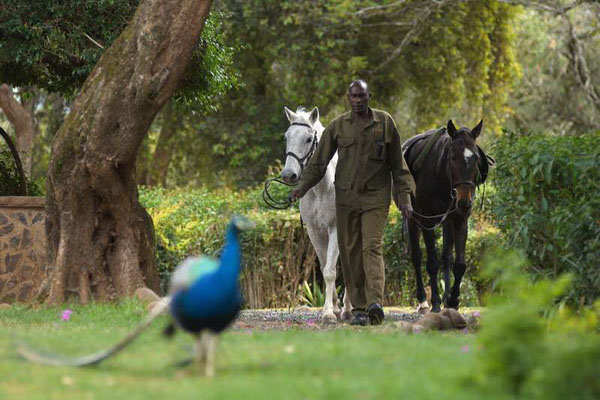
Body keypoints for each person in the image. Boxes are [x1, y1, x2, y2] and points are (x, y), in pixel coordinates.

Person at [290, 80, 414, 326]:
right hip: (346, 199)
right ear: (349, 98)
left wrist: (405, 198)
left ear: (369, 96)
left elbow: (398, 166)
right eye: (354, 96)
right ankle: (357, 309)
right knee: (350, 252)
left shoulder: (385, 123)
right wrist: (300, 189)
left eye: (362, 96)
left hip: (375, 198)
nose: (358, 100)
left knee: (371, 247)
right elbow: (318, 163)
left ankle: (374, 303)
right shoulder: (337, 127)